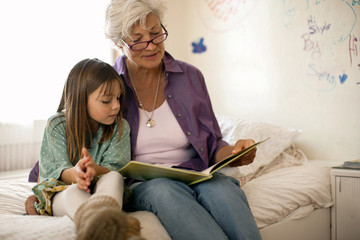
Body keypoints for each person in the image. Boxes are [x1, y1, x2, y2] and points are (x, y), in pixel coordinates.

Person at [104, 0, 263, 239]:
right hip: (145, 184)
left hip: (195, 172)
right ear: (118, 43)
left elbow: (212, 144)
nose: (151, 46)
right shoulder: (105, 85)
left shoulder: (190, 76)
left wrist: (233, 154)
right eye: (137, 39)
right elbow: (75, 137)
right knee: (164, 191)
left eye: (156, 33)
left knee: (223, 191)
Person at [27, 58, 143, 240]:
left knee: (114, 177)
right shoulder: (57, 125)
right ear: (81, 100)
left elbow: (117, 167)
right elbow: (52, 172)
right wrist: (76, 174)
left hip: (100, 190)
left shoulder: (120, 127)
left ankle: (104, 224)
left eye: (118, 98)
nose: (117, 106)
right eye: (106, 101)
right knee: (74, 192)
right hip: (63, 190)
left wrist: (95, 170)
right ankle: (108, 226)